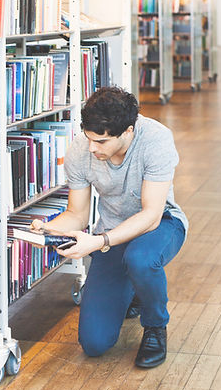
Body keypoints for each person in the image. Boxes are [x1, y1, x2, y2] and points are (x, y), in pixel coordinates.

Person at [31, 86, 187, 368]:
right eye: (89, 138)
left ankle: (155, 326)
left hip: (161, 225)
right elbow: (77, 215)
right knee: (94, 344)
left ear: (128, 131)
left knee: (140, 259)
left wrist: (100, 241)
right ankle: (136, 287)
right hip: (111, 230)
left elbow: (151, 215)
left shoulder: (156, 139)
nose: (92, 148)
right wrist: (49, 229)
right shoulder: (81, 149)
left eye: (101, 141)